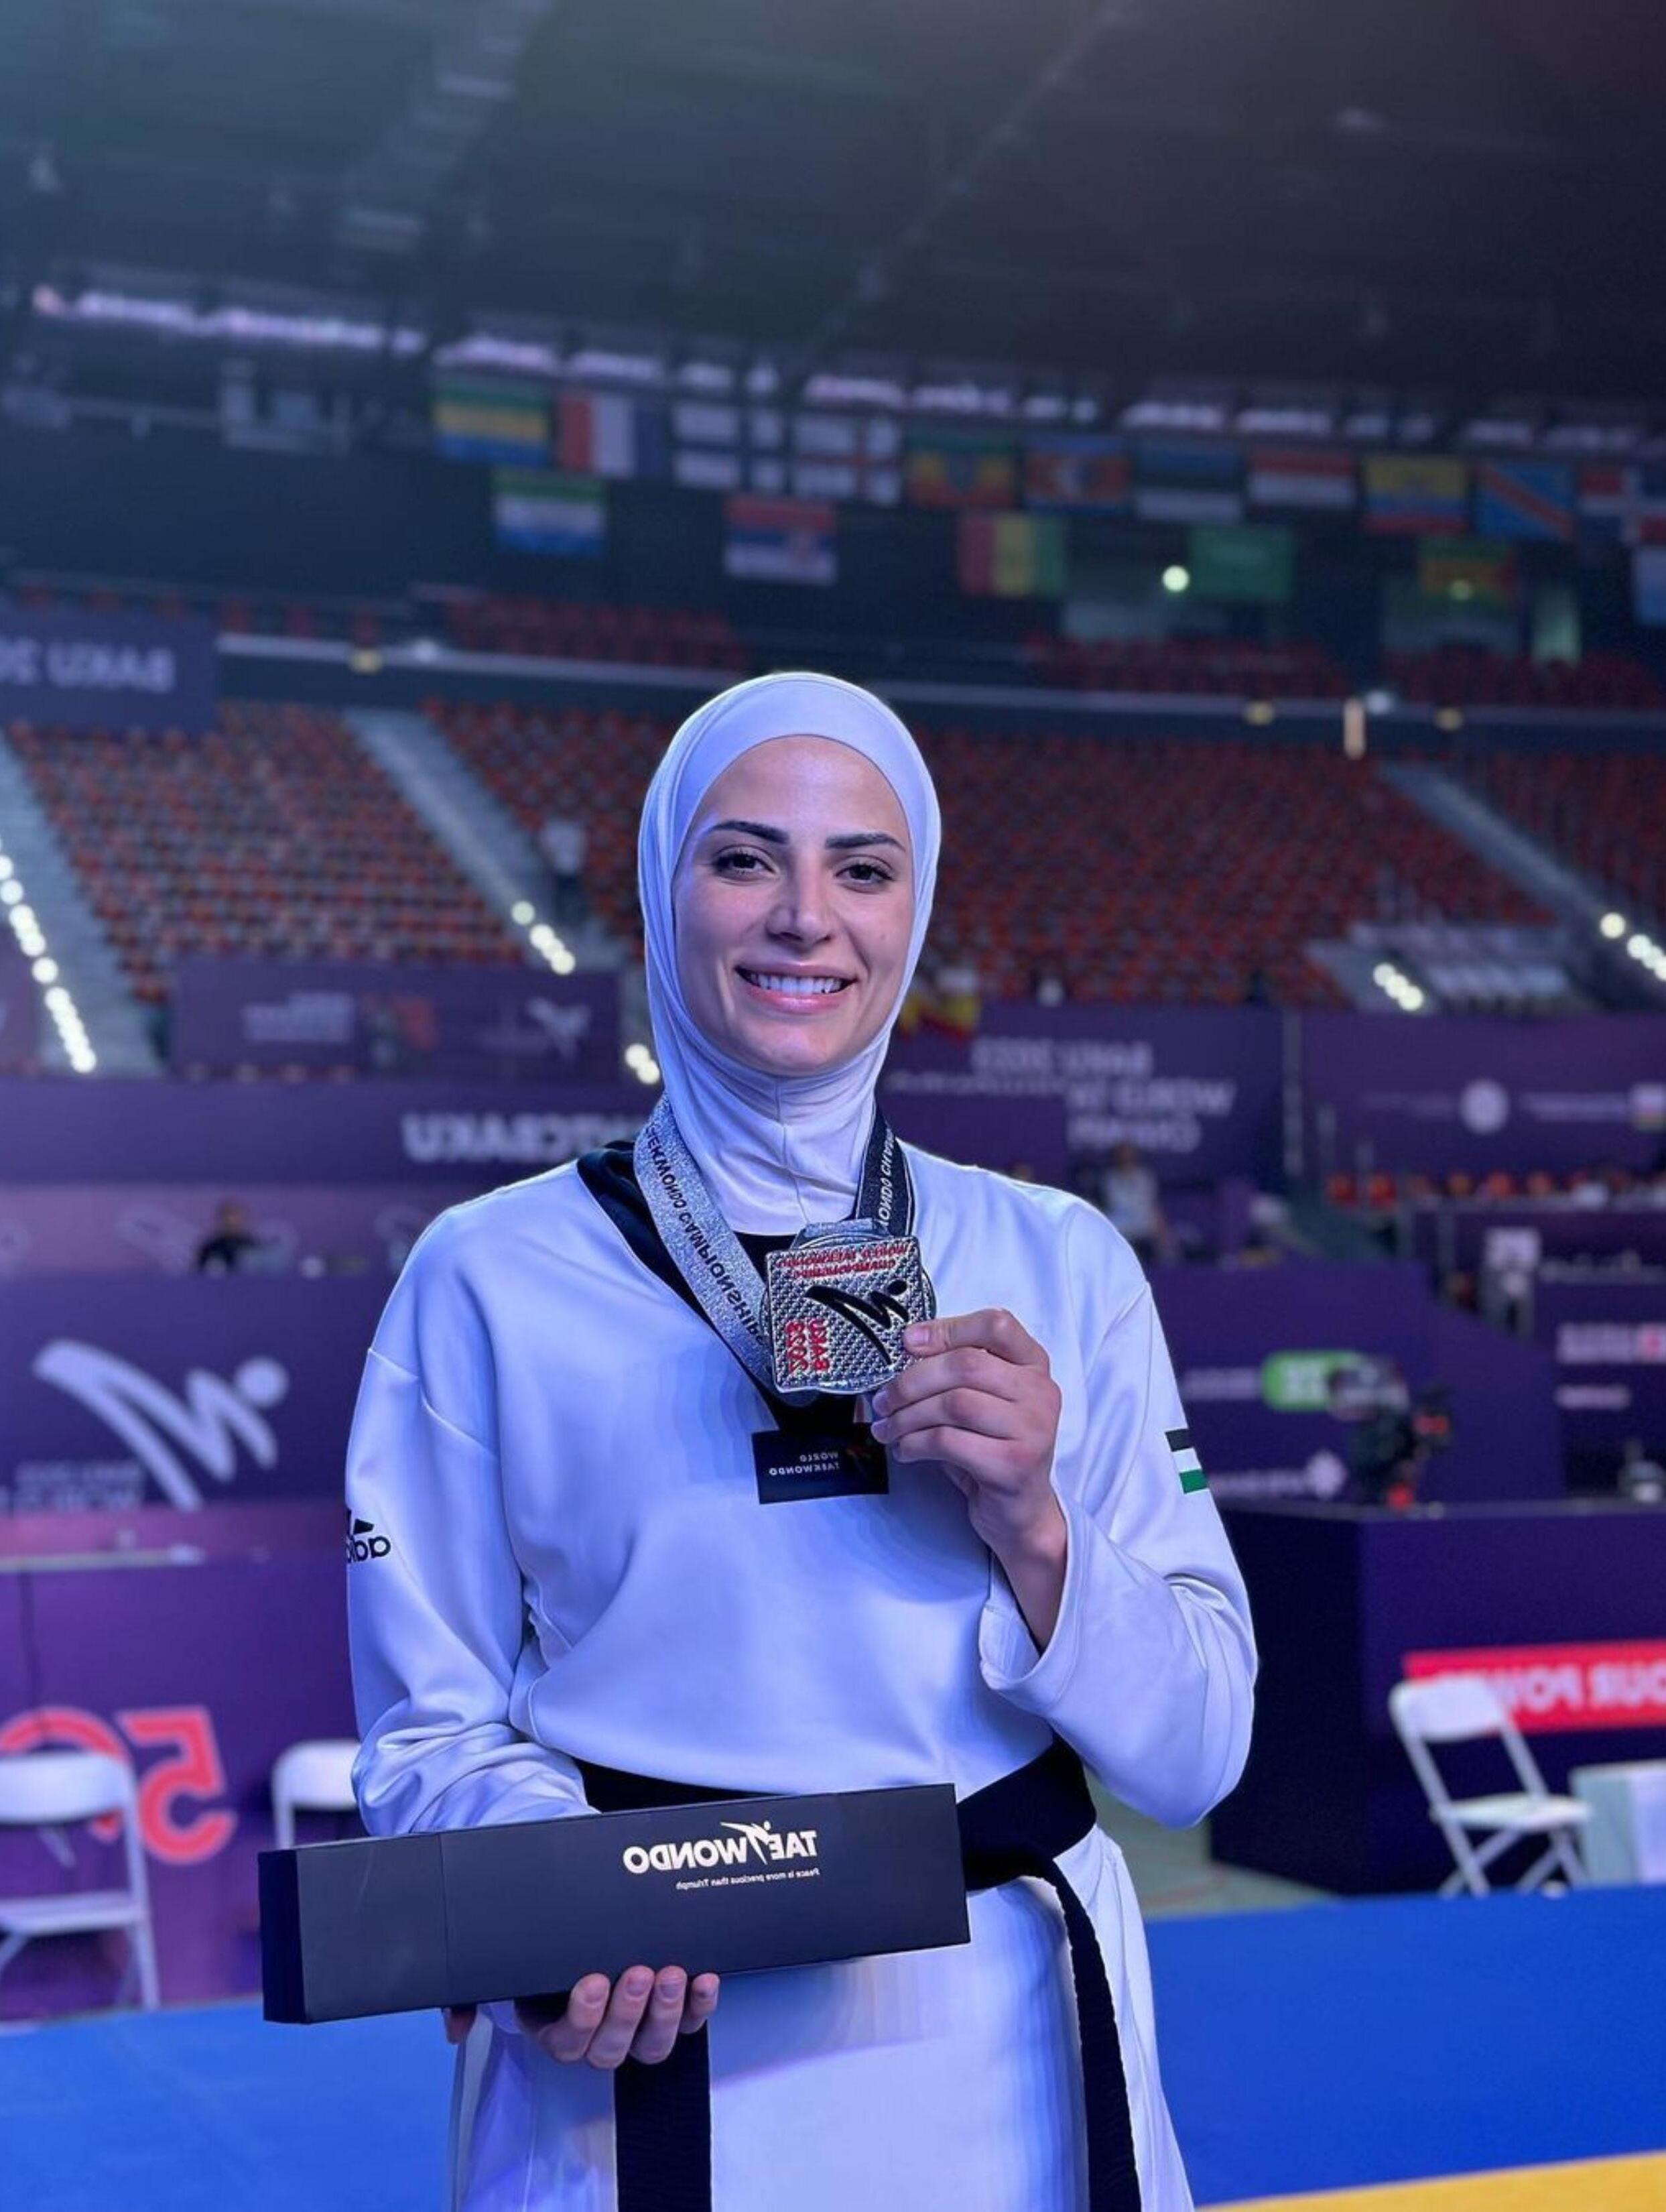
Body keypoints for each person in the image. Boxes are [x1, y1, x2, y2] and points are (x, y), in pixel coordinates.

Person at [346, 672, 1255, 2212]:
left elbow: (1197, 1754)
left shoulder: (1057, 1259)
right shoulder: (488, 1275)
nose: (804, 918)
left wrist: (1036, 1527)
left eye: (863, 868)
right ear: (662, 889)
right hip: (652, 2040)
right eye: (744, 858)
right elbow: (429, 1734)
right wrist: (551, 1913)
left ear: (918, 907)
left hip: (1014, 2047)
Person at [1099, 1142, 1169, 1273]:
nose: (1126, 1158)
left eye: (1129, 1155)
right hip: (1120, 1228)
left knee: (1164, 1245)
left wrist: (1162, 1231)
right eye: (1122, 1155)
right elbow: (1111, 1205)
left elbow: (1152, 1205)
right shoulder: (1108, 1179)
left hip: (1144, 1227)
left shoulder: (1145, 1177)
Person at [193, 1198, 261, 1274]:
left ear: (243, 1219)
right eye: (228, 1216)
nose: (231, 1220)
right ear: (220, 1219)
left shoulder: (252, 1246)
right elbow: (198, 1273)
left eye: (235, 1216)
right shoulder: (210, 1248)